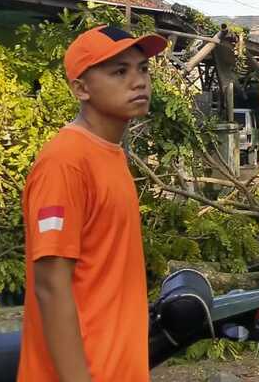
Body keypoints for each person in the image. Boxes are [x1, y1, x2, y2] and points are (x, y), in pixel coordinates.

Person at [19, 25, 168, 382]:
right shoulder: (65, 162)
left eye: (143, 69)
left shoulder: (109, 155)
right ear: (81, 88)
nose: (139, 81)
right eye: (120, 71)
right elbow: (51, 285)